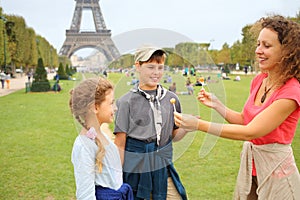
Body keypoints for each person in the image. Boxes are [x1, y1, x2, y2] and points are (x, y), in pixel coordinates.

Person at [174, 15, 300, 199]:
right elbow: (244, 120)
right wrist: (218, 105)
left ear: (287, 51)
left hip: (277, 172)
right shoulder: (259, 80)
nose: (258, 50)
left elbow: (250, 132)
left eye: (267, 45)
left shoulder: (292, 92)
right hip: (251, 171)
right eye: (258, 44)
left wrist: (198, 125)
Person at [114, 45, 188, 200]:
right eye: (151, 67)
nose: (156, 72)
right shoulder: (125, 102)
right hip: (136, 169)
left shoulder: (171, 99)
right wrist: (117, 177)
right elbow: (120, 144)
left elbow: (173, 136)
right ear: (138, 66)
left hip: (163, 167)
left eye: (160, 67)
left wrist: (188, 128)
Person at [70, 77, 133, 200]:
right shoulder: (84, 146)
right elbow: (85, 196)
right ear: (95, 107)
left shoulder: (100, 135)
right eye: (111, 103)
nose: (115, 108)